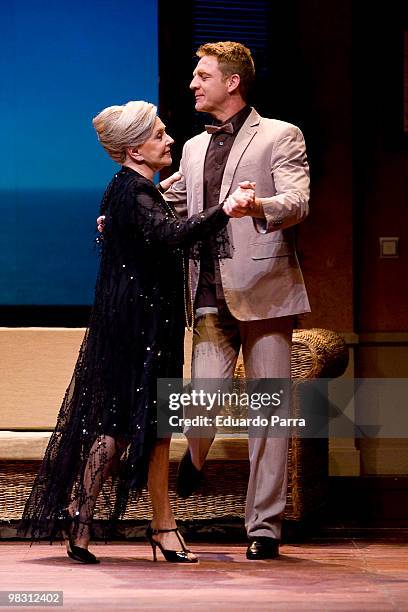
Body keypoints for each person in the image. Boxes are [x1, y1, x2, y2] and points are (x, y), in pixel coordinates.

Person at [19, 100, 253, 564]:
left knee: (120, 428)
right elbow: (170, 236)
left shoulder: (128, 189)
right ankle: (161, 528)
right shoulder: (134, 191)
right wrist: (226, 209)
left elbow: (145, 231)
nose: (169, 140)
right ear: (134, 149)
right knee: (149, 430)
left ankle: (82, 521)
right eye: (159, 134)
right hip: (141, 326)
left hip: (137, 323)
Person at [163, 41, 311, 560]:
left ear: (232, 81)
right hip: (207, 289)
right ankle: (197, 456)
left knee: (267, 412)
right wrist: (124, 210)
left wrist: (258, 204)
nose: (193, 84)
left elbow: (297, 202)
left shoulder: (279, 135)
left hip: (265, 287)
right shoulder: (194, 147)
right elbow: (175, 198)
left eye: (202, 76)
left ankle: (264, 528)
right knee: (201, 401)